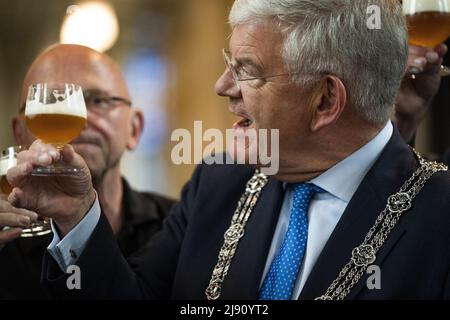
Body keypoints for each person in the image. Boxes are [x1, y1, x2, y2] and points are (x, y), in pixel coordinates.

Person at [5, 0, 450, 300]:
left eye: (246, 70)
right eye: (226, 63)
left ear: (326, 100)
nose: (222, 87)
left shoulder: (440, 215)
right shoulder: (219, 179)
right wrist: (79, 215)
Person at [0, 44, 175, 299]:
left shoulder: (180, 225)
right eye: (52, 99)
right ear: (19, 132)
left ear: (135, 129)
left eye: (98, 101)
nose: (78, 117)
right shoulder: (7, 241)